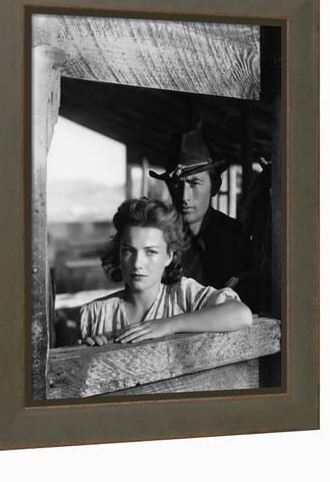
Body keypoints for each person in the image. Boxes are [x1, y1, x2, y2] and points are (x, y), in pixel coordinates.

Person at [80, 198, 252, 346]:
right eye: (128, 251)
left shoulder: (183, 295)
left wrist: (168, 325)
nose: (137, 263)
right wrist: (90, 348)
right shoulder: (95, 314)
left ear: (169, 255)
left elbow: (241, 314)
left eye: (151, 252)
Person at [149, 125, 242, 290]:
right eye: (177, 184)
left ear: (215, 186)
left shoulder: (236, 236)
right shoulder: (158, 239)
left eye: (194, 183)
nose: (184, 197)